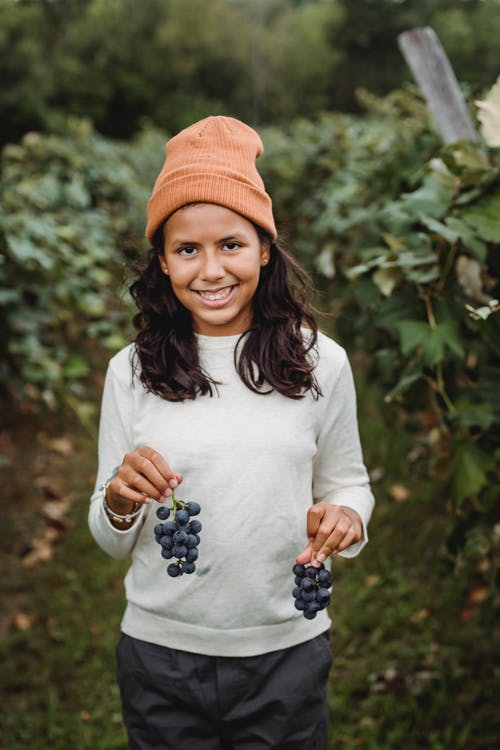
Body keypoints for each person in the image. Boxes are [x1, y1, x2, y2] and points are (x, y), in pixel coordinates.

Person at [89, 115, 375, 750]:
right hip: (160, 654)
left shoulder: (319, 361)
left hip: (286, 653)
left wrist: (348, 518)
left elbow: (349, 483)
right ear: (162, 262)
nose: (211, 269)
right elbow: (111, 540)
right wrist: (115, 500)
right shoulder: (131, 372)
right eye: (187, 249)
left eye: (232, 244)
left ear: (265, 248)